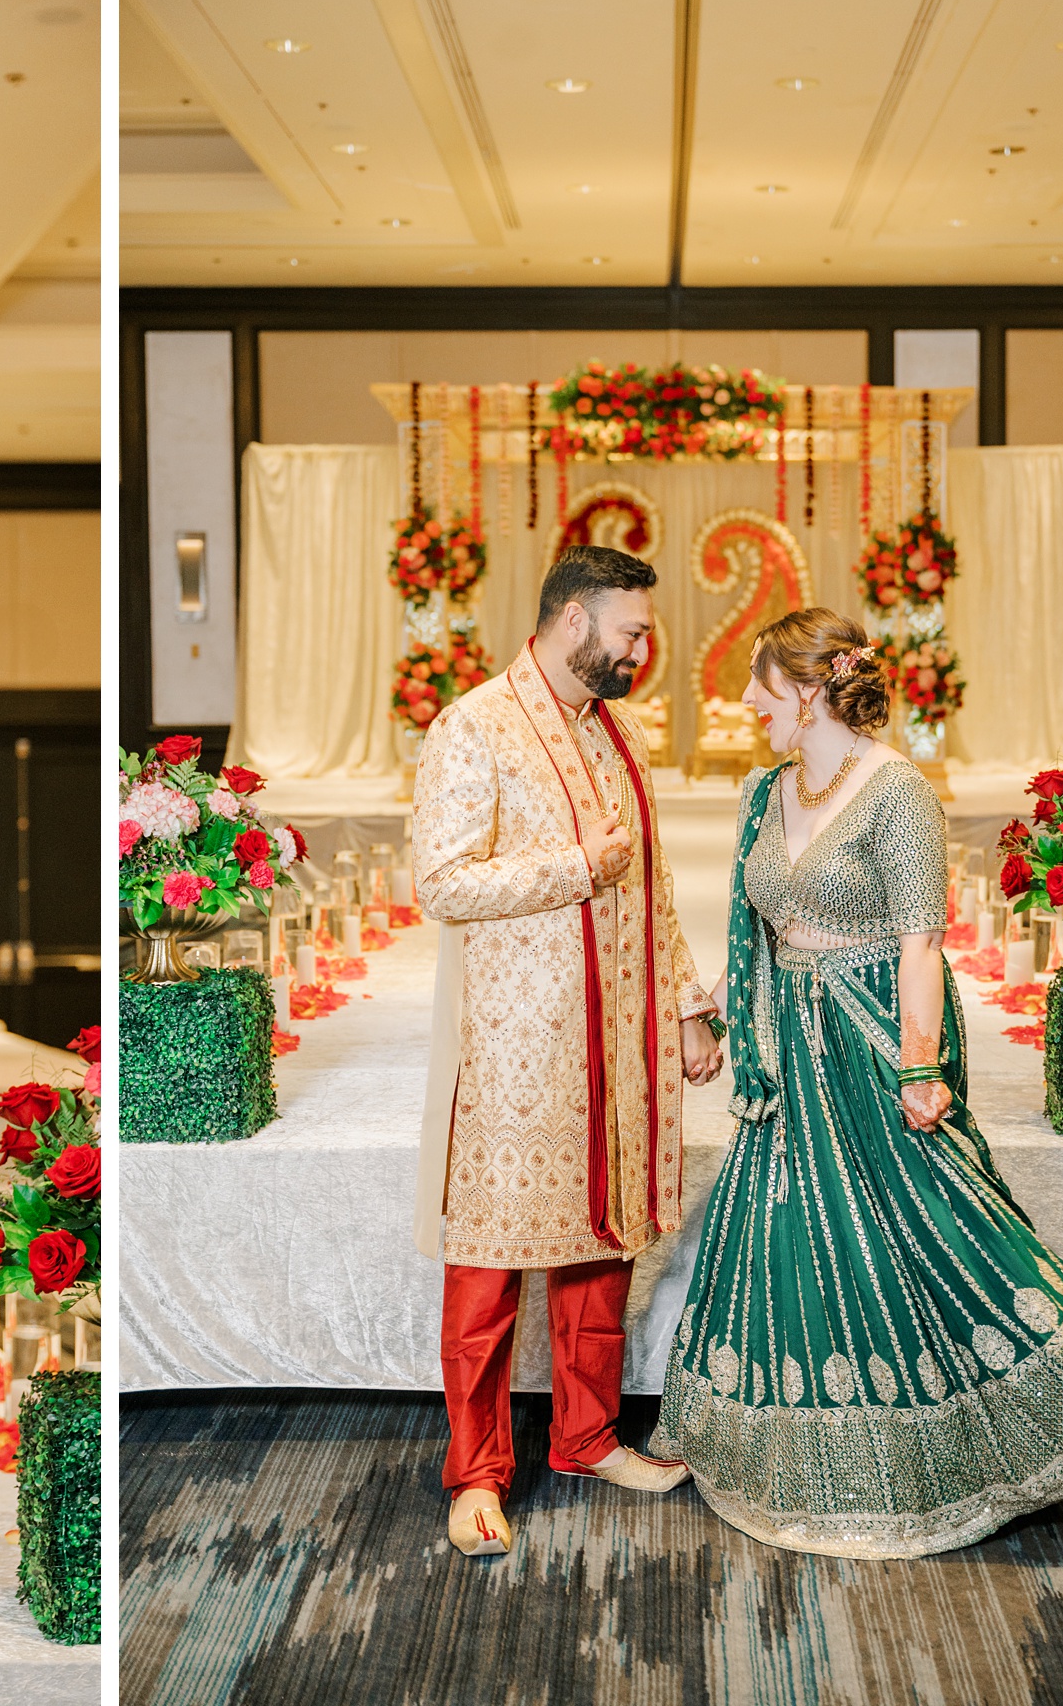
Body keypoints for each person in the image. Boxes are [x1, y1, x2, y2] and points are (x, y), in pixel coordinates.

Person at [651, 608, 1063, 1557]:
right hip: (792, 1052)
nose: (746, 702)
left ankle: (1005, 1429)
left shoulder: (897, 792)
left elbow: (920, 940)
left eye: (761, 684)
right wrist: (712, 1010)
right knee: (791, 1238)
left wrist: (920, 1067)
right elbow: (760, 930)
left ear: (809, 692)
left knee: (921, 1227)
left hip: (875, 1033)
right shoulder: (764, 791)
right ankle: (795, 1456)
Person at [412, 545, 726, 1558]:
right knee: (490, 1270)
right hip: (516, 1044)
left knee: (601, 1244)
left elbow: (657, 885)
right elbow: (445, 882)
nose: (644, 647)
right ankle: (475, 1474)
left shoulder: (618, 731)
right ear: (574, 620)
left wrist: (683, 1007)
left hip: (620, 1034)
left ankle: (586, 1438)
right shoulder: (474, 726)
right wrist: (573, 870)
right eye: (631, 629)